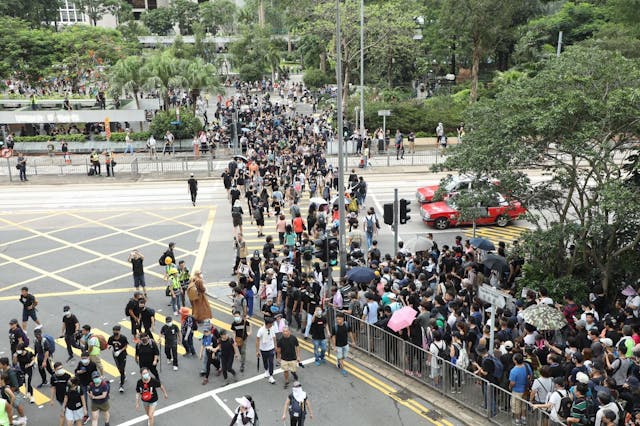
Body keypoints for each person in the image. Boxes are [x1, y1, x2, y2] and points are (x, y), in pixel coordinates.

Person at [330, 313, 355, 377]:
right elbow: (333, 337)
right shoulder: (334, 327)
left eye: (339, 319)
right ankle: (343, 369)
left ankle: (338, 360)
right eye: (337, 319)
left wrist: (353, 341)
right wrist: (334, 346)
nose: (337, 320)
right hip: (338, 346)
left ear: (342, 319)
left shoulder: (346, 325)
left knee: (345, 356)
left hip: (345, 344)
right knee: (340, 357)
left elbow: (350, 333)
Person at [256, 317, 277, 384]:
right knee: (265, 360)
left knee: (271, 362)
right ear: (267, 324)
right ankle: (266, 370)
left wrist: (275, 346)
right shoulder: (261, 330)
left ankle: (271, 376)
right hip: (263, 349)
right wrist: (257, 351)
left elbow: (274, 337)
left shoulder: (272, 328)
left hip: (271, 348)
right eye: (271, 324)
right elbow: (257, 341)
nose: (272, 325)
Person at [107, 325, 128, 393]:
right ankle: (123, 375)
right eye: (114, 331)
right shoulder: (111, 338)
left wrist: (120, 351)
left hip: (122, 354)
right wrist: (109, 346)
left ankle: (121, 385)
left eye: (117, 331)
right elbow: (109, 344)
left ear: (119, 331)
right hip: (115, 355)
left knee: (121, 369)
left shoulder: (123, 338)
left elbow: (126, 346)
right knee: (119, 368)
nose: (115, 332)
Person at [50, 361, 71, 426]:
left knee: (64, 413)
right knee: (66, 412)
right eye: (59, 369)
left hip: (69, 398)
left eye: (61, 368)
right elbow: (53, 388)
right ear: (55, 370)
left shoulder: (67, 376)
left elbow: (72, 387)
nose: (61, 370)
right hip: (60, 398)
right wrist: (52, 399)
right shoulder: (53, 378)